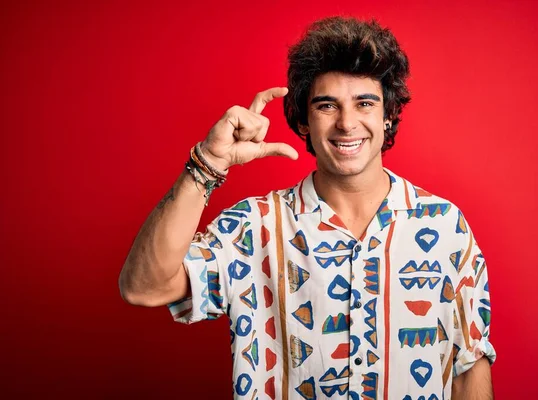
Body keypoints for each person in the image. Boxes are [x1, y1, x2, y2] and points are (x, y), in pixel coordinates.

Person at [119, 16, 496, 400]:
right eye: (327, 106)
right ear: (303, 122)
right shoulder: (254, 227)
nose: (347, 123)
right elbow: (144, 287)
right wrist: (207, 163)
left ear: (387, 115)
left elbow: (469, 364)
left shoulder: (445, 226)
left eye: (364, 103)